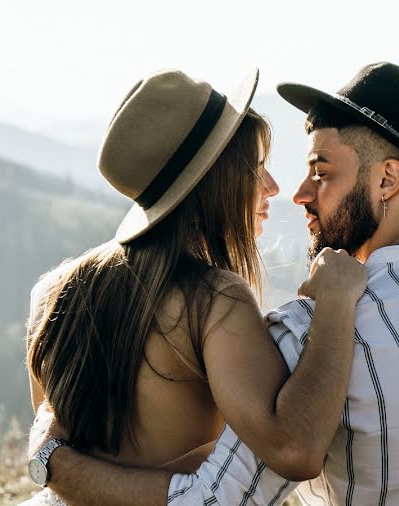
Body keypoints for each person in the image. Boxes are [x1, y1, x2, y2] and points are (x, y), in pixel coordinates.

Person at [28, 62, 399, 505]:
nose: (297, 193)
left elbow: (213, 500)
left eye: (322, 171)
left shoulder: (312, 335)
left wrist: (50, 462)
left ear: (387, 179)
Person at [23, 69, 366, 504]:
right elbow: (294, 450)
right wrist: (335, 304)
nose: (273, 187)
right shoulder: (213, 301)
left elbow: (58, 447)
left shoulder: (51, 294)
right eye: (256, 167)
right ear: (213, 180)